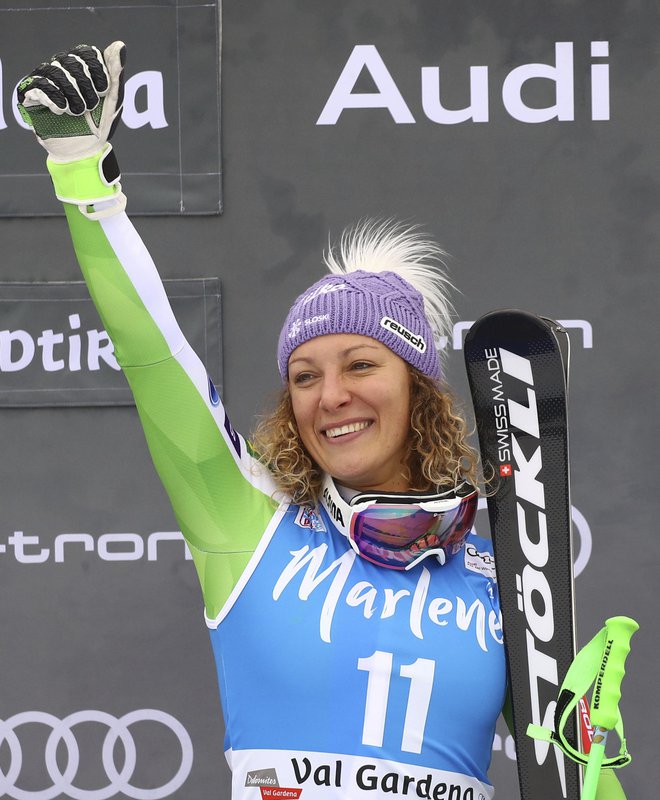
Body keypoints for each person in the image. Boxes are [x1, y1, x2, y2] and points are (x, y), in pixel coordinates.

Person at [17, 42, 626, 800]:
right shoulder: (247, 528)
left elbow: (574, 787)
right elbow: (154, 357)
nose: (329, 395)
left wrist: (589, 757)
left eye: (361, 365)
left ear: (422, 391)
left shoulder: (501, 579)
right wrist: (80, 167)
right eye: (305, 377)